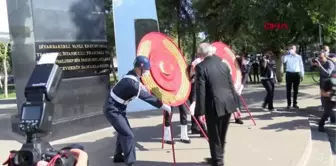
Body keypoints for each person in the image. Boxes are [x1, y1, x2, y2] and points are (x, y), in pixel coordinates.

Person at [104, 56, 171, 166]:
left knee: (123, 131)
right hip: (113, 109)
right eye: (145, 70)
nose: (146, 72)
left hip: (117, 108)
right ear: (139, 68)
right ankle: (130, 163)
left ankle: (117, 156)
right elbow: (147, 98)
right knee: (128, 135)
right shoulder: (132, 83)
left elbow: (140, 87)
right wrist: (163, 106)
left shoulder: (132, 75)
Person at [195, 43, 239, 166]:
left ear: (201, 54)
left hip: (213, 105)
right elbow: (231, 84)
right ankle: (218, 157)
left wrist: (200, 112)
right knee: (222, 134)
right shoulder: (223, 63)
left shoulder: (201, 67)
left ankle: (218, 161)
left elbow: (201, 92)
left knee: (214, 136)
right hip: (228, 103)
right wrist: (236, 106)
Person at [189, 56, 207, 136]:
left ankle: (195, 128)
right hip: (196, 90)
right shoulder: (197, 63)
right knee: (200, 110)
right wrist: (193, 101)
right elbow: (194, 89)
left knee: (197, 111)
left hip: (199, 90)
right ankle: (203, 129)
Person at [282, 44, 304, 109]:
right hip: (289, 74)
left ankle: (295, 103)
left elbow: (301, 66)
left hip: (296, 74)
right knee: (288, 89)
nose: (291, 49)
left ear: (295, 49)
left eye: (293, 48)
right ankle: (288, 104)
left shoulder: (299, 57)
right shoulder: (287, 56)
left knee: (296, 90)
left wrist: (302, 74)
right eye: (290, 48)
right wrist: (285, 53)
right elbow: (283, 61)